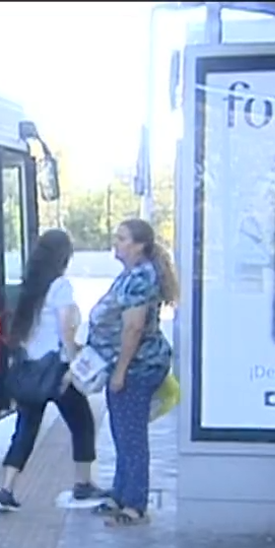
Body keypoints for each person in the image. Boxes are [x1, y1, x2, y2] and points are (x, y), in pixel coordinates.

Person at [0, 229, 99, 512]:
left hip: (31, 369)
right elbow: (67, 327)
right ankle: (83, 483)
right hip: (57, 370)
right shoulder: (60, 286)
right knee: (82, 423)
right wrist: (75, 359)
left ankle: (6, 488)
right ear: (63, 256)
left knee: (25, 429)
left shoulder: (30, 288)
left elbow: (24, 333)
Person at [86, 219, 177, 527]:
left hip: (138, 367)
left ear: (139, 245)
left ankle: (134, 505)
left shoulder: (140, 278)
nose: (116, 241)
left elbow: (133, 327)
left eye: (122, 238)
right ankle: (121, 494)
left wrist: (121, 371)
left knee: (131, 436)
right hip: (127, 364)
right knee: (122, 432)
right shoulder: (132, 275)